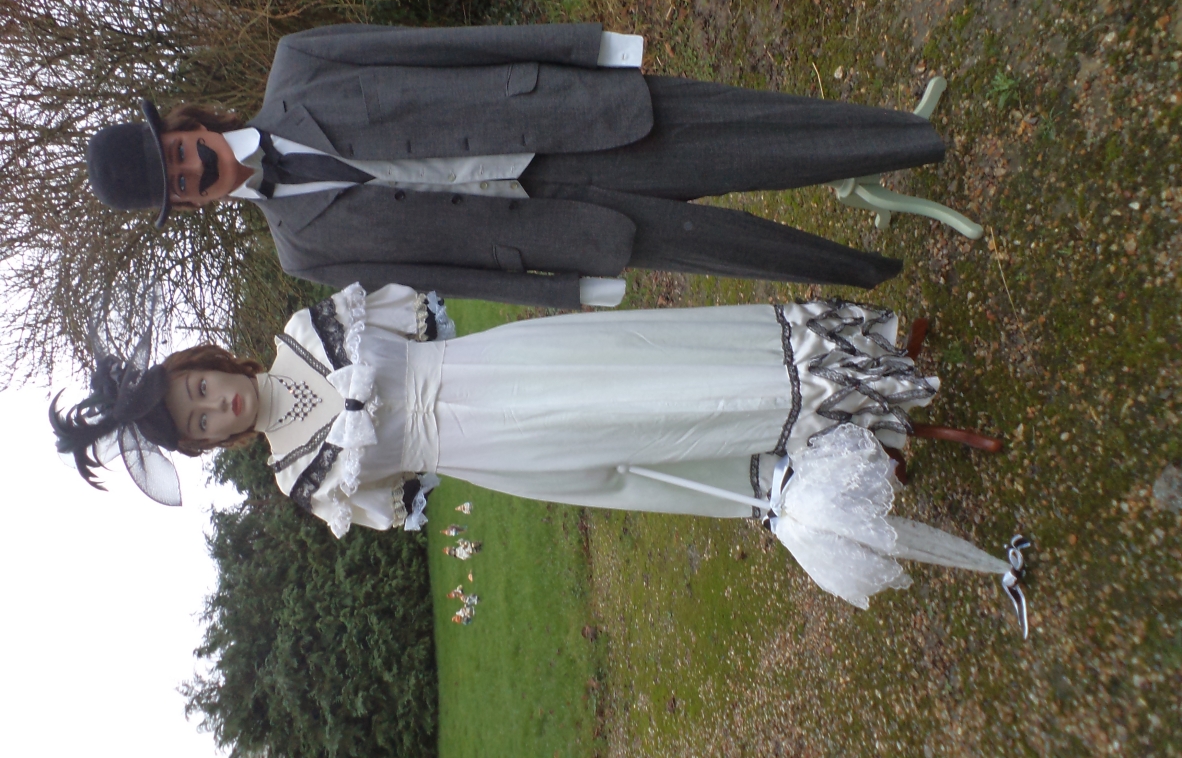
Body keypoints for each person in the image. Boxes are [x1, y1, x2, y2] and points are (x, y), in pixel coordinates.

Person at [51, 283, 1029, 634]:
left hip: (514, 363)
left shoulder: (317, 327)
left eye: (199, 388)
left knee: (654, 373)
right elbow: (398, 491)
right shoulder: (306, 482)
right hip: (510, 446)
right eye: (200, 422)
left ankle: (863, 375)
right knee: (651, 436)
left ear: (209, 363)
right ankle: (853, 437)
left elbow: (415, 317)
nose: (214, 405)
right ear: (212, 444)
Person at [83, 23, 948, 308]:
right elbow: (438, 277)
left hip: (563, 112)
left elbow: (441, 48)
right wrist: (562, 291)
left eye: (178, 154)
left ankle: (910, 140)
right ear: (188, 205)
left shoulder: (299, 63)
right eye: (181, 186)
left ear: (185, 127)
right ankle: (871, 270)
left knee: (757, 133)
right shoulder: (301, 253)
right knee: (737, 248)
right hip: (561, 228)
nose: (194, 170)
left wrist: (582, 48)